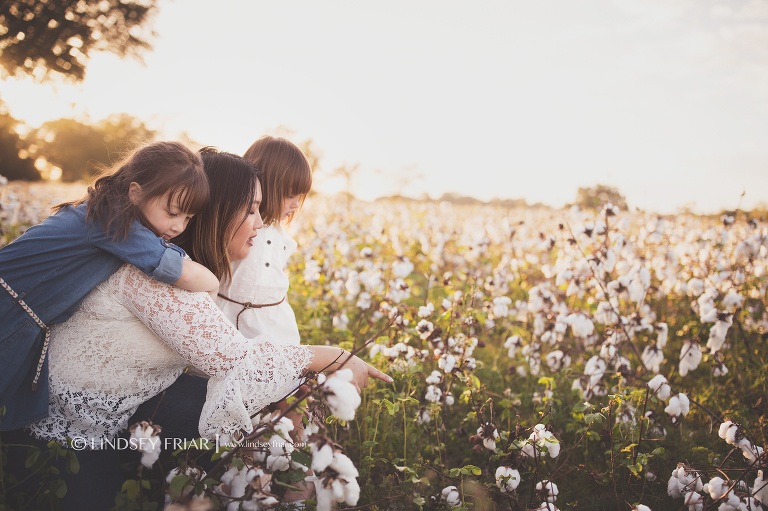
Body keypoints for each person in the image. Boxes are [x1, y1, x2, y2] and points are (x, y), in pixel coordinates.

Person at [15, 148, 390, 510]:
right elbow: (234, 359)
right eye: (251, 209)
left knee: (262, 411)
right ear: (218, 212)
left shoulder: (181, 265)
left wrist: (288, 389)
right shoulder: (158, 277)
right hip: (71, 430)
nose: (261, 222)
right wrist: (336, 357)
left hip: (134, 406)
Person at [0, 141, 218, 432]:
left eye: (188, 218)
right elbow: (183, 272)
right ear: (136, 192)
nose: (179, 227)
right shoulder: (112, 220)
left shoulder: (103, 210)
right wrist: (213, 285)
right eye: (173, 212)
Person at [216, 135, 311, 341]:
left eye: (299, 197)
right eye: (290, 195)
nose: (296, 205)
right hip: (232, 320)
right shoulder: (236, 226)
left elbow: (277, 279)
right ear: (266, 186)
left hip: (274, 324)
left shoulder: (281, 235)